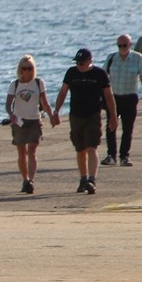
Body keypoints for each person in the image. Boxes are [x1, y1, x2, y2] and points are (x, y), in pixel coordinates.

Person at [52, 48, 117, 195]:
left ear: (90, 61)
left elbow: (109, 96)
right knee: (80, 149)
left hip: (93, 115)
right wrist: (56, 111)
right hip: (75, 116)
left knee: (91, 147)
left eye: (82, 63)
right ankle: (83, 179)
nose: (79, 66)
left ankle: (92, 180)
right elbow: (63, 92)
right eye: (77, 63)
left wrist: (113, 116)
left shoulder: (99, 74)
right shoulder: (71, 73)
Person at [4, 55, 52, 194]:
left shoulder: (38, 83)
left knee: (32, 149)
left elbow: (45, 102)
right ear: (20, 70)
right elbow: (8, 104)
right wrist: (11, 114)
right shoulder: (15, 84)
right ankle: (24, 179)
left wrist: (52, 116)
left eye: (30, 68)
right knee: (21, 152)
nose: (27, 71)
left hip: (34, 121)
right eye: (24, 68)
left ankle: (30, 180)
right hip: (19, 121)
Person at [101, 35, 142, 167]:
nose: (122, 48)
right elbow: (103, 76)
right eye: (119, 46)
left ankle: (124, 156)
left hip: (130, 97)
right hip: (114, 97)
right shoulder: (111, 58)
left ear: (130, 45)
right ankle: (111, 155)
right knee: (111, 126)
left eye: (125, 45)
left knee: (128, 128)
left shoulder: (137, 58)